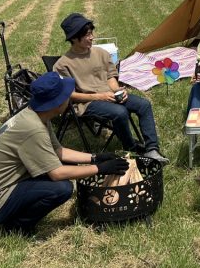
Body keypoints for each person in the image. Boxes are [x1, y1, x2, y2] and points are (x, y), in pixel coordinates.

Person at [0, 72, 129, 235]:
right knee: (61, 188)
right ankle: (18, 227)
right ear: (57, 102)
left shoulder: (37, 115)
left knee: (68, 168)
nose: (70, 97)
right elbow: (57, 173)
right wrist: (100, 168)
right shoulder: (33, 129)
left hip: (10, 185)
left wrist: (95, 158)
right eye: (66, 95)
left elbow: (57, 151)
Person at [53, 13, 169, 164]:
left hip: (109, 94)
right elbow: (70, 95)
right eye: (87, 35)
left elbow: (110, 77)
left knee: (143, 105)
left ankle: (152, 150)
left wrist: (117, 91)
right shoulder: (63, 64)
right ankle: (132, 150)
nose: (92, 37)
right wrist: (99, 96)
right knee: (120, 112)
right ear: (74, 38)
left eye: (91, 33)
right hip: (86, 103)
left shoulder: (101, 53)